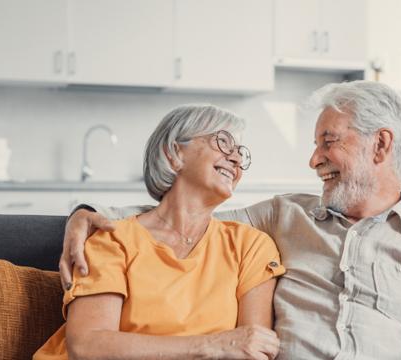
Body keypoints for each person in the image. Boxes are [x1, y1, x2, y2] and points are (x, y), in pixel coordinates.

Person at [60, 81, 401, 359]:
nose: (314, 159)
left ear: (381, 145)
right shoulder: (282, 216)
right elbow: (181, 216)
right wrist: (87, 213)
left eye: (328, 142)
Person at [34, 104, 285, 360]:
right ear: (174, 153)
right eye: (223, 142)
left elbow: (254, 349)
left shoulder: (251, 246)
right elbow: (88, 346)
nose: (236, 158)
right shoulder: (113, 238)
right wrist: (211, 345)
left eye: (240, 152)